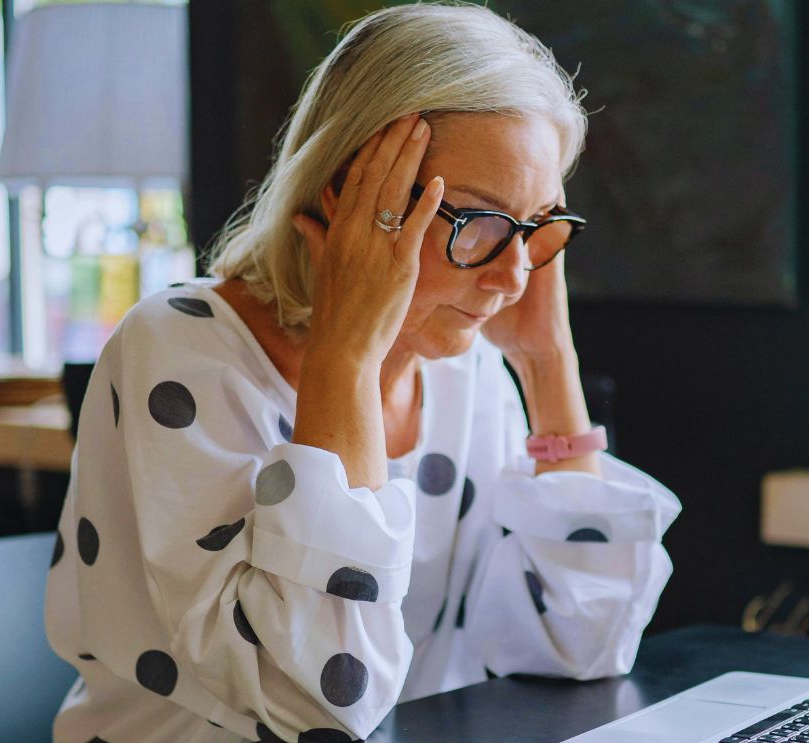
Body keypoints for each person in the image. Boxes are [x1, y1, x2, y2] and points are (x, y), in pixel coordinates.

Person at [44, 3, 681, 741]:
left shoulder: (466, 371)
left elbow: (584, 646)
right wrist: (345, 358)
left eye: (537, 226)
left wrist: (546, 363)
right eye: (476, 220)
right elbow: (314, 703)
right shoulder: (182, 351)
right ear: (345, 195)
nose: (512, 276)